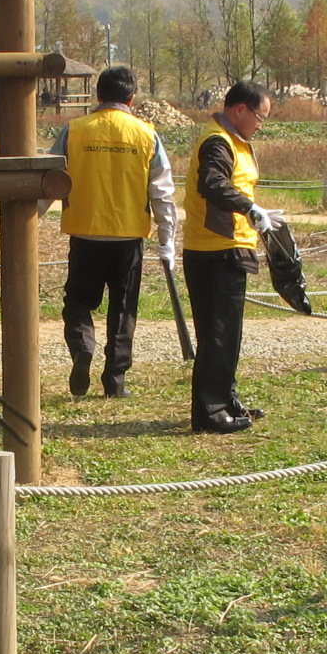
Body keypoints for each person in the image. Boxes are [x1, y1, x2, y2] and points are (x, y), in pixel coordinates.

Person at [49, 64, 177, 397]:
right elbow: (162, 192)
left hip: (85, 232)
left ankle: (82, 346)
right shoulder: (146, 134)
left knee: (78, 300)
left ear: (97, 95)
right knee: (123, 308)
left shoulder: (74, 129)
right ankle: (115, 381)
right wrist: (168, 239)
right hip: (128, 236)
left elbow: (46, 178)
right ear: (132, 98)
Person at [179, 80, 285, 433]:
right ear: (240, 110)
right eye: (260, 117)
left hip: (227, 246)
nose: (260, 124)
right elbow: (211, 182)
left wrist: (256, 210)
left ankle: (226, 398)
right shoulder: (218, 141)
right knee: (219, 334)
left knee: (226, 334)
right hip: (216, 249)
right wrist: (250, 207)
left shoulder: (233, 141)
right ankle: (210, 413)